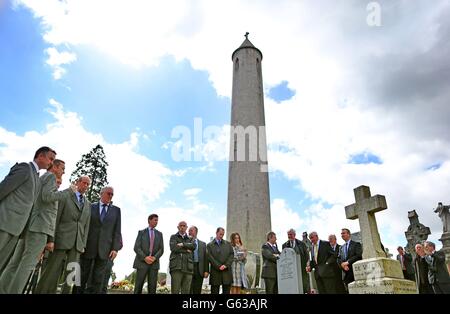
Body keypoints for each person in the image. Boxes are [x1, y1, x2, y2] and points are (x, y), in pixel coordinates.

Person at [0, 159, 73, 294]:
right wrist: (68, 192)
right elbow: (47, 197)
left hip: (30, 226)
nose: (64, 171)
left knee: (14, 263)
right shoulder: (50, 177)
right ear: (55, 167)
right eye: (62, 168)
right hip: (40, 227)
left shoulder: (41, 177)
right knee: (27, 265)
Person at [0, 147, 56, 273]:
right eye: (50, 159)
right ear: (40, 156)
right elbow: (3, 189)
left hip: (16, 230)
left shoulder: (37, 178)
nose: (51, 162)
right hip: (4, 223)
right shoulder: (25, 168)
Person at [34, 176, 92, 294]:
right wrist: (51, 239)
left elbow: (86, 226)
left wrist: (83, 244)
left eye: (88, 184)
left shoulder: (88, 204)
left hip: (77, 244)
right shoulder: (65, 196)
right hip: (61, 240)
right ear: (78, 182)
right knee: (51, 271)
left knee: (71, 276)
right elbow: (56, 218)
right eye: (84, 183)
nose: (86, 186)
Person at [77, 186, 122, 294]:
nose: (110, 196)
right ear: (101, 194)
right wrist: (81, 243)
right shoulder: (90, 206)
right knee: (82, 277)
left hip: (105, 250)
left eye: (112, 194)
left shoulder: (116, 210)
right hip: (88, 247)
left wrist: (115, 249)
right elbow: (83, 225)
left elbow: (117, 231)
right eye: (108, 193)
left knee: (98, 280)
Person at [133, 214, 164, 294]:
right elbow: (137, 247)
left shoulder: (160, 234)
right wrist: (145, 258)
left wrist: (154, 258)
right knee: (138, 287)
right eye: (155, 220)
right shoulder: (141, 232)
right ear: (149, 220)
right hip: (142, 263)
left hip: (154, 264)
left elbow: (161, 249)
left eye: (157, 220)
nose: (157, 222)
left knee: (152, 288)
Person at [169, 221, 196, 294]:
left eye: (184, 226)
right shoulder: (173, 237)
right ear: (178, 227)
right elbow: (173, 248)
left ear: (186, 227)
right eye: (181, 225)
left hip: (188, 268)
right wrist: (187, 249)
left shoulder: (191, 238)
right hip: (176, 267)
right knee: (175, 291)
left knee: (186, 292)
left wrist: (182, 244)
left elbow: (193, 246)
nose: (182, 227)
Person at [206, 227, 233, 294]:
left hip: (226, 272)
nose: (221, 236)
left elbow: (231, 255)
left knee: (226, 292)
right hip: (215, 272)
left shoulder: (228, 244)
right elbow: (209, 257)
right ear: (216, 233)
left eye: (223, 234)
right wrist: (219, 266)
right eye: (220, 234)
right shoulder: (209, 245)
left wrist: (225, 265)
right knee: (214, 291)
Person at [282, 228, 309, 293]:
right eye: (288, 235)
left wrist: (306, 265)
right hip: (291, 270)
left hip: (301, 268)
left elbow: (306, 256)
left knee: (303, 284)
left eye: (290, 234)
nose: (289, 236)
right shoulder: (284, 245)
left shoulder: (302, 244)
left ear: (294, 235)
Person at [337, 228, 362, 293]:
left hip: (356, 273)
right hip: (346, 274)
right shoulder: (341, 248)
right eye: (341, 234)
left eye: (343, 233)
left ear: (349, 234)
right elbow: (339, 259)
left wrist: (347, 262)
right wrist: (343, 265)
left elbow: (359, 255)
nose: (342, 235)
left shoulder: (356, 244)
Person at [188, 226, 209, 294]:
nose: (189, 232)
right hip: (188, 268)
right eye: (189, 231)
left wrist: (206, 270)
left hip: (199, 269)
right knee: (188, 289)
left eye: (191, 230)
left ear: (196, 232)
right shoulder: (185, 243)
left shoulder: (203, 244)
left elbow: (206, 258)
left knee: (197, 289)